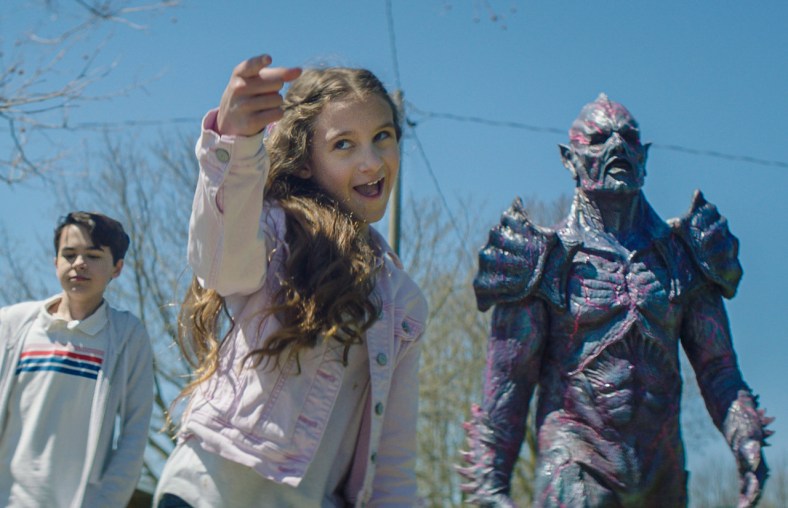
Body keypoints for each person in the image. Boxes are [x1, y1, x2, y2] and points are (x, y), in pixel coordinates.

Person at [459, 94, 772, 507]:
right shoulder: (540, 263)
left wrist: (746, 435)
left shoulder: (684, 257)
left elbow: (718, 368)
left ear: (645, 156)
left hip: (661, 467)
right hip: (577, 462)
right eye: (599, 138)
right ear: (569, 159)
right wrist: (489, 485)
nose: (617, 146)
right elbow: (508, 384)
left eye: (628, 137)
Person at [154, 53, 428, 507]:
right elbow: (219, 263)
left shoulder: (403, 300)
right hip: (208, 492)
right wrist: (236, 142)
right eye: (344, 144)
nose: (371, 161)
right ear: (304, 162)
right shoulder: (277, 230)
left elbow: (392, 460)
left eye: (383, 137)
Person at [0, 211, 154, 507]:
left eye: (93, 255)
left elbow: (135, 433)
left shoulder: (127, 336)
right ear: (55, 262)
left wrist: (107, 501)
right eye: (69, 254)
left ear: (117, 267)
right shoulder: (12, 324)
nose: (79, 263)